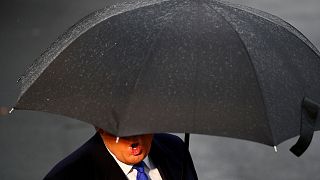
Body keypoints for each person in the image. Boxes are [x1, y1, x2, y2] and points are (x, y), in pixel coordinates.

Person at [44, 128, 198, 180]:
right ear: (100, 127)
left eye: (141, 126)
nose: (134, 138)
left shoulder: (175, 147)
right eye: (123, 131)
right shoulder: (67, 176)